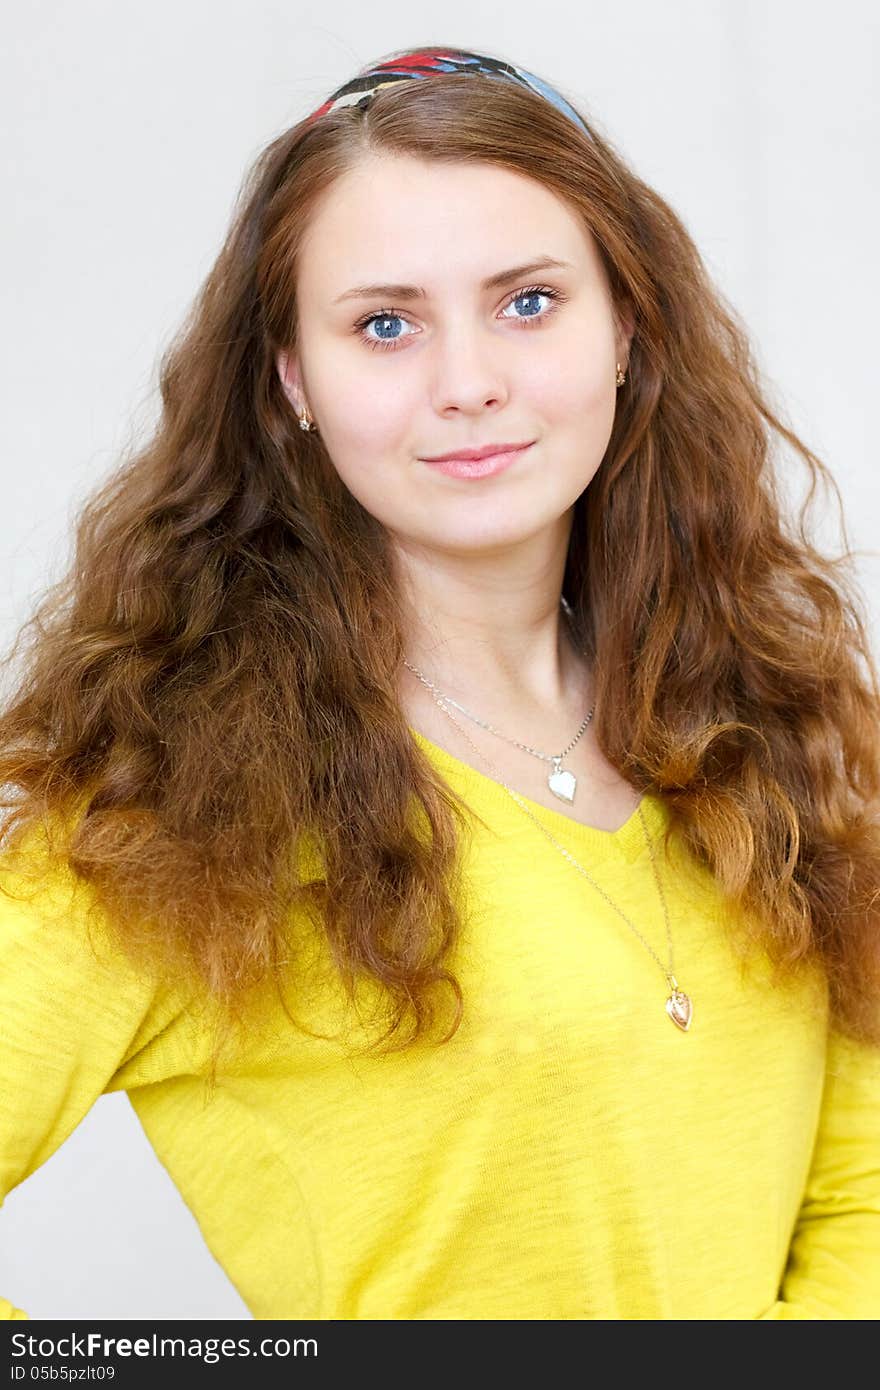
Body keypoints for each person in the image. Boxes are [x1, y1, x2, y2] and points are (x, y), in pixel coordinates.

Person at [1, 43, 879, 1322]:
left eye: (528, 301)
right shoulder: (167, 815)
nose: (468, 382)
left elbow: (861, 1189)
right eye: (386, 324)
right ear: (294, 382)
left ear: (626, 327)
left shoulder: (779, 720)